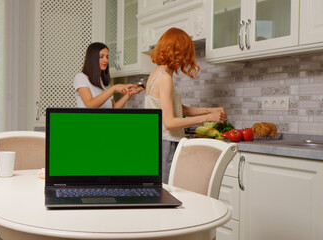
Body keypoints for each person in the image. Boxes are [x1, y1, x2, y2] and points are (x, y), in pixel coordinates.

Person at [145, 28, 227, 183]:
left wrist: (211, 110)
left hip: (157, 141)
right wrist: (208, 117)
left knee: (161, 191)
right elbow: (169, 123)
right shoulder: (165, 78)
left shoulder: (156, 73)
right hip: (166, 142)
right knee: (167, 191)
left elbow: (178, 109)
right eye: (185, 53)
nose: (186, 59)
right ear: (176, 51)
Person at [74, 42, 143, 108]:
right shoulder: (81, 77)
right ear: (92, 59)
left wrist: (128, 94)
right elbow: (90, 104)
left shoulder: (104, 83)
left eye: (107, 57)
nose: (106, 60)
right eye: (101, 57)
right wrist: (113, 88)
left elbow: (113, 108)